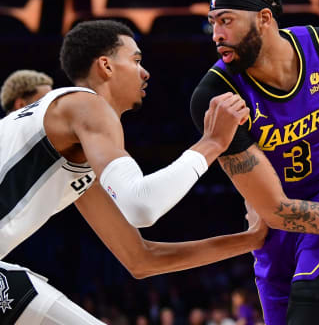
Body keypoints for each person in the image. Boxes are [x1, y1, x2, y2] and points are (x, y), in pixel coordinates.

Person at [0, 19, 268, 325]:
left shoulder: (71, 145)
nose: (145, 72)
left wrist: (250, 240)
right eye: (136, 60)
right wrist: (213, 143)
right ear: (106, 66)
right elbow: (142, 205)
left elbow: (141, 259)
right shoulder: (86, 105)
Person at [190, 0, 319, 325]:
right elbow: (275, 210)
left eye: (226, 21)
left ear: (264, 19)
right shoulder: (216, 96)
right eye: (212, 24)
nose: (217, 35)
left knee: (311, 305)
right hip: (276, 221)